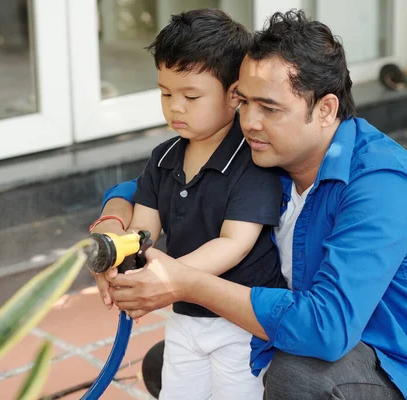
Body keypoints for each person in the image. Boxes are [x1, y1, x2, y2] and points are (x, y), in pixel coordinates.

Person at [91, 9, 407, 400]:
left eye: (270, 109)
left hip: (383, 364)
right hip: (295, 335)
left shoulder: (381, 183)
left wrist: (186, 282)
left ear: (325, 109)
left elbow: (327, 327)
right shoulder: (270, 152)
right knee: (170, 362)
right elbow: (149, 185)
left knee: (299, 377)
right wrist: (112, 225)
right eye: (245, 102)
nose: (250, 122)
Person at [95, 8, 286, 400]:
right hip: (185, 315)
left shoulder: (250, 160)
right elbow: (144, 231)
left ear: (234, 95)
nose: (175, 107)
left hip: (241, 323)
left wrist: (169, 278)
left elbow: (235, 242)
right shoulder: (164, 158)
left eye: (191, 96)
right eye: (165, 93)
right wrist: (124, 259)